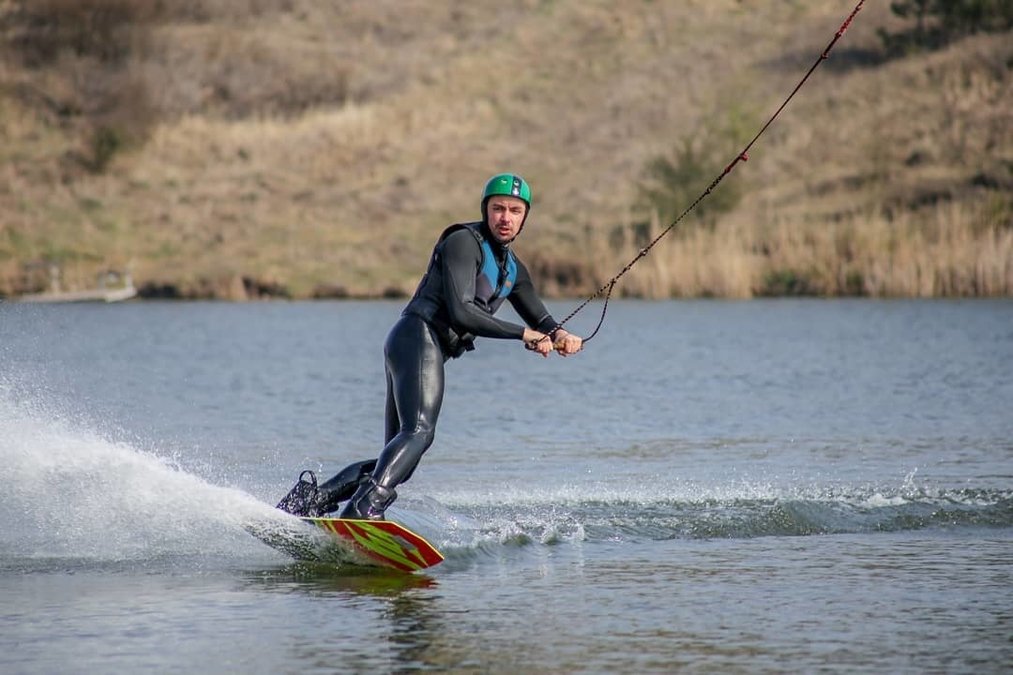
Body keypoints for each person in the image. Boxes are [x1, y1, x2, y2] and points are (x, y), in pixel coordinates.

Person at [276, 173, 583, 520]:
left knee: (397, 461)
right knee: (419, 432)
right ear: (485, 210)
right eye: (498, 208)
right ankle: (364, 509)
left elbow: (542, 319)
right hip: (417, 337)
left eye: (514, 210)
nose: (505, 217)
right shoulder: (463, 242)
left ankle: (309, 502)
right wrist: (523, 335)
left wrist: (559, 335)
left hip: (420, 347)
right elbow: (462, 311)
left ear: (525, 216)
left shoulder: (513, 269)